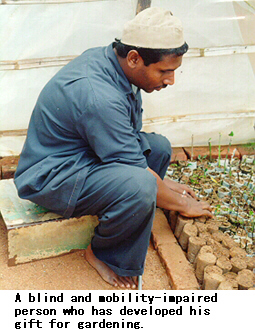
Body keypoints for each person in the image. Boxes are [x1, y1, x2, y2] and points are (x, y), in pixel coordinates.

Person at [14, 7, 212, 289]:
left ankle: (136, 201)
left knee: (158, 148)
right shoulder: (98, 95)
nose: (171, 80)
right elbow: (135, 168)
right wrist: (182, 203)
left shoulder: (112, 61)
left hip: (82, 153)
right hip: (51, 176)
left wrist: (163, 186)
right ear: (134, 58)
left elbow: (129, 142)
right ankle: (104, 255)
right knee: (141, 185)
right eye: (165, 71)